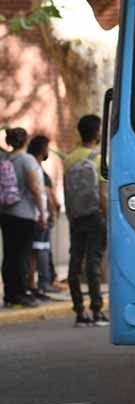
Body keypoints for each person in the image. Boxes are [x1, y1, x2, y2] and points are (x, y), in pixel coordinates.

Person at [63, 115, 108, 327]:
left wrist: (71, 215)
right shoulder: (99, 159)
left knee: (75, 264)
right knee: (94, 264)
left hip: (76, 217)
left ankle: (80, 311)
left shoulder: (69, 159)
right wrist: (109, 219)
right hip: (95, 217)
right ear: (98, 133)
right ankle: (97, 311)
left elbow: (66, 192)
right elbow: (104, 193)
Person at [1, 127, 49, 308]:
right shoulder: (27, 160)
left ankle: (9, 294)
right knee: (22, 255)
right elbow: (35, 188)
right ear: (26, 141)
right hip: (24, 214)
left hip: (6, 212)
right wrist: (42, 213)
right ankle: (21, 294)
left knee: (9, 255)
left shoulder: (6, 158)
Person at [27, 135, 61, 299]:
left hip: (38, 215)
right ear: (41, 150)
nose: (48, 151)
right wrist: (51, 211)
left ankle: (35, 284)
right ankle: (40, 284)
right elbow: (44, 192)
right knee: (39, 250)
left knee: (38, 250)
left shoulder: (35, 166)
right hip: (40, 215)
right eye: (47, 148)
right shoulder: (35, 167)